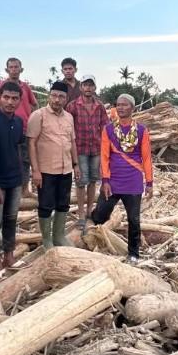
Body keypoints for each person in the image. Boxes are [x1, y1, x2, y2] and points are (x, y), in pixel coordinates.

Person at [91, 93, 153, 264]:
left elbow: (147, 157)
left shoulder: (141, 130)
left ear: (132, 108)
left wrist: (149, 182)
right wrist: (105, 180)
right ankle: (93, 227)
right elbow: (104, 156)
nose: (121, 107)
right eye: (118, 104)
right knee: (100, 216)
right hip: (112, 180)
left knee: (134, 219)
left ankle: (133, 253)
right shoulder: (109, 130)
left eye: (125, 105)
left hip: (133, 181)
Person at [27, 81, 79, 249]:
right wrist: (35, 170)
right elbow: (31, 144)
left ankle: (59, 236)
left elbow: (72, 142)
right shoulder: (38, 115)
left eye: (61, 97)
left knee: (63, 204)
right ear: (49, 96)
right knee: (46, 205)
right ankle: (46, 240)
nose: (57, 100)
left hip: (65, 169)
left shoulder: (69, 117)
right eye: (54, 95)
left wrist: (76, 164)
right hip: (46, 170)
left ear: (66, 99)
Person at [0, 82, 25, 278]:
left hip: (15, 179)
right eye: (6, 97)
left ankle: (9, 255)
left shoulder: (18, 122)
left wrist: (22, 176)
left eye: (14, 98)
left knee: (11, 218)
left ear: (19, 100)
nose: (10, 102)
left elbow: (17, 148)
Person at [0, 58, 38, 198]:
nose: (14, 69)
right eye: (11, 67)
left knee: (26, 159)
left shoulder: (25, 87)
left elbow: (34, 104)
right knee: (7, 158)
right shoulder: (0, 86)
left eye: (17, 67)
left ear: (21, 69)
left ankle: (24, 189)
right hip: (6, 129)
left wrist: (33, 119)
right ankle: (2, 187)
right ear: (7, 69)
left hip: (24, 128)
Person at [65, 75, 108, 235]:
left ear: (94, 88)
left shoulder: (100, 107)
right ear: (81, 87)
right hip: (80, 149)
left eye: (91, 85)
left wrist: (107, 150)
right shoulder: (73, 106)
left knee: (92, 180)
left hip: (96, 148)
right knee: (81, 182)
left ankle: (90, 210)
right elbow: (67, 128)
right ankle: (81, 213)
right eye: (85, 85)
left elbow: (105, 128)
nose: (88, 88)